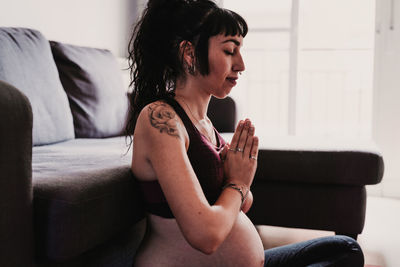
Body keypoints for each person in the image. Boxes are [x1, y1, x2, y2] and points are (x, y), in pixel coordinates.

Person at [126, 0, 365, 266]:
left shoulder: (204, 124)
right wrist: (238, 181)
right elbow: (206, 235)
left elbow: (242, 201)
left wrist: (238, 178)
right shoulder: (161, 118)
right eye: (230, 50)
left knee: (345, 249)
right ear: (189, 54)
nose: (241, 64)